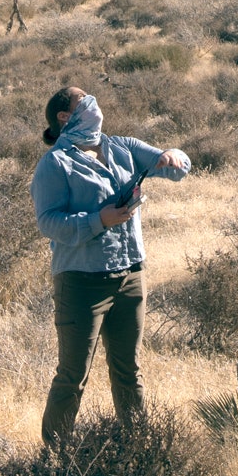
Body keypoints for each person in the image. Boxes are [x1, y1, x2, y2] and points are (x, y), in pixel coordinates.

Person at [31, 85, 189, 446]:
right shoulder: (56, 164)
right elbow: (48, 222)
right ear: (65, 117)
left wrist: (172, 156)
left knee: (129, 371)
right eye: (83, 100)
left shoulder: (121, 146)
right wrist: (99, 219)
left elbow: (175, 167)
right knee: (73, 376)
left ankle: (138, 450)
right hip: (82, 282)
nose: (94, 103)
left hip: (131, 276)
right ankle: (54, 461)